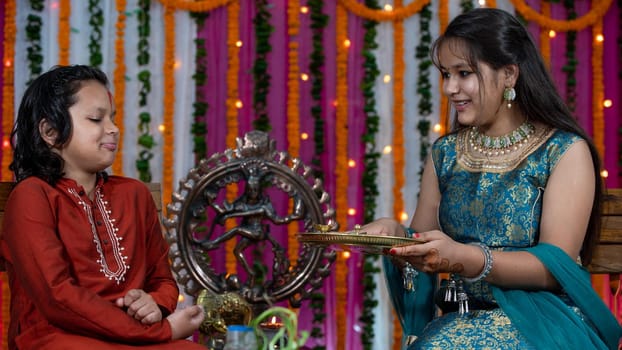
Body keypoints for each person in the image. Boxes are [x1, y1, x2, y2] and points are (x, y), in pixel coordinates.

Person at [362, 8, 622, 350]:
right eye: (445, 74)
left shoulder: (563, 151)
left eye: (464, 73)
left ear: (509, 75)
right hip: (458, 319)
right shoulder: (446, 153)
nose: (450, 89)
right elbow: (423, 246)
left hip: (544, 320)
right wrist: (395, 235)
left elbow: (554, 266)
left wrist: (463, 257)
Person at [0, 65, 206, 349]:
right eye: (96, 118)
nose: (113, 129)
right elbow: (56, 297)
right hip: (57, 337)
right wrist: (157, 332)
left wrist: (154, 305)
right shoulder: (32, 197)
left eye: (112, 118)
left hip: (132, 336)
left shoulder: (134, 194)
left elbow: (162, 280)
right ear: (50, 131)